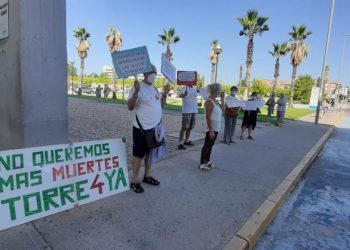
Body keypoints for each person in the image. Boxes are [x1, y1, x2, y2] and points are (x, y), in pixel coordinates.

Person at [127, 65, 170, 193]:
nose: (154, 74)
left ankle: (147, 175)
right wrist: (136, 93)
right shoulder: (138, 87)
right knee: (138, 155)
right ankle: (135, 180)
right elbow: (130, 107)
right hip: (141, 128)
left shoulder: (155, 89)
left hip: (155, 128)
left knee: (150, 153)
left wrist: (165, 94)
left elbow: (161, 105)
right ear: (145, 73)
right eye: (152, 72)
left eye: (155, 72)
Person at [199, 83, 225, 171]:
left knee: (211, 145)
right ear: (215, 91)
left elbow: (223, 110)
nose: (220, 92)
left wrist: (222, 99)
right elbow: (208, 117)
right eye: (219, 90)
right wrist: (210, 130)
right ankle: (202, 163)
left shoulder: (216, 101)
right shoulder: (209, 101)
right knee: (207, 145)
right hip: (211, 128)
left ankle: (207, 161)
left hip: (216, 127)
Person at [178, 84, 198, 150]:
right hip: (187, 111)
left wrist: (198, 104)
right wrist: (184, 95)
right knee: (184, 127)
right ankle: (180, 143)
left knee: (191, 127)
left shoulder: (194, 89)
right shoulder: (184, 87)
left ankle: (186, 140)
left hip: (194, 110)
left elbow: (194, 99)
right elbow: (180, 95)